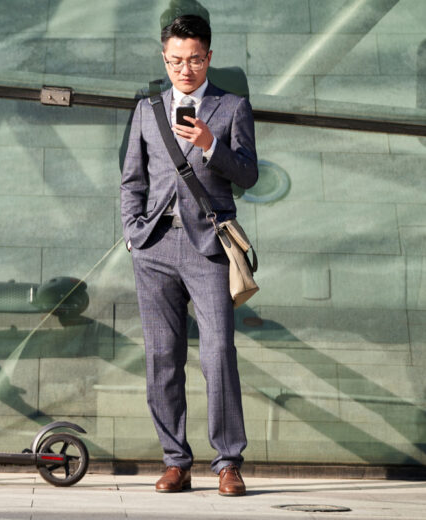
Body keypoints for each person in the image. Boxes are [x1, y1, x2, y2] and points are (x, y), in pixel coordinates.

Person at [119, 14, 258, 496]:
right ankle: (176, 461)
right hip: (155, 247)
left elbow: (247, 175)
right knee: (162, 356)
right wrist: (134, 235)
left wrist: (210, 144)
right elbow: (131, 179)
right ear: (164, 59)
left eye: (195, 59)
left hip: (208, 248)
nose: (185, 69)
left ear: (209, 58)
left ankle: (228, 462)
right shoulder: (146, 110)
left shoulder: (232, 107)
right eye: (176, 60)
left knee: (218, 353)